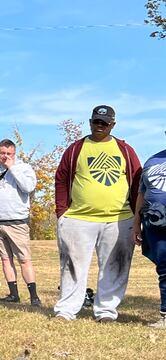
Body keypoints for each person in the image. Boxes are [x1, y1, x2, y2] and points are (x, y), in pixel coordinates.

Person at [53, 105, 141, 322]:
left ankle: (106, 312)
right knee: (72, 266)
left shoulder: (125, 150)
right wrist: (62, 212)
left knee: (116, 266)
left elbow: (137, 181)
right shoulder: (76, 149)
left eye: (104, 123)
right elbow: (61, 178)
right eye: (95, 122)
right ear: (90, 122)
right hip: (78, 218)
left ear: (113, 125)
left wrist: (137, 216)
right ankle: (66, 311)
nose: (99, 126)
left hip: (119, 219)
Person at [0, 139, 41, 307]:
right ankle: (13, 294)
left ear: (14, 154)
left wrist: (12, 167)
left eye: (9, 154)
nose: (5, 157)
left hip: (16, 221)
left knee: (24, 259)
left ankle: (34, 297)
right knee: (5, 259)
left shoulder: (23, 168)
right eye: (2, 153)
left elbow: (28, 187)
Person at [133, 145, 166, 328]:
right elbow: (142, 194)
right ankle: (165, 315)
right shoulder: (152, 161)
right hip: (155, 221)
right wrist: (136, 223)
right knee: (164, 267)